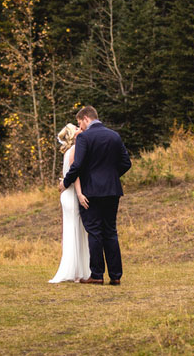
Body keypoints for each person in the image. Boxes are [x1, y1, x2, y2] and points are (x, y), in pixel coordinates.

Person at [59, 106, 131, 285]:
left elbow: (77, 166)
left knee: (95, 232)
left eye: (79, 123)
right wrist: (112, 177)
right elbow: (126, 163)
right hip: (112, 190)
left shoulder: (85, 137)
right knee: (111, 231)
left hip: (92, 191)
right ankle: (115, 276)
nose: (79, 127)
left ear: (85, 118)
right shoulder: (114, 135)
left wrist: (65, 183)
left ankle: (97, 275)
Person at [49, 123, 91, 283]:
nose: (80, 128)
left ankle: (77, 270)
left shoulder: (68, 151)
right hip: (72, 194)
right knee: (75, 230)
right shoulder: (74, 150)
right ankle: (76, 272)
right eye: (77, 128)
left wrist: (64, 182)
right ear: (73, 134)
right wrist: (80, 193)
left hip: (68, 193)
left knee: (74, 230)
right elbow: (75, 174)